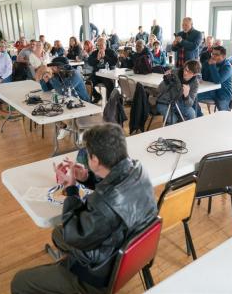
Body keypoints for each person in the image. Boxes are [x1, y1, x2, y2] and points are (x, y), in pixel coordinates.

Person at [11, 123, 158, 294]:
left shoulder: (103, 203)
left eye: (88, 155)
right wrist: (87, 177)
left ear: (95, 160)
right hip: (131, 252)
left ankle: (71, 279)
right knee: (57, 234)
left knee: (20, 281)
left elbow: (74, 234)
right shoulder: (138, 169)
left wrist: (72, 188)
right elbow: (113, 186)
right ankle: (63, 271)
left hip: (100, 275)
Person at [156, 60, 201, 125]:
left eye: (189, 72)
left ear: (194, 74)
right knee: (173, 120)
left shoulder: (195, 84)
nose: (185, 73)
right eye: (185, 69)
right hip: (164, 102)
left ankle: (188, 132)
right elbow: (159, 89)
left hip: (178, 103)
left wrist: (186, 96)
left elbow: (190, 104)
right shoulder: (174, 73)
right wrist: (165, 81)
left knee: (192, 113)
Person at [198, 46, 232, 112]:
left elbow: (218, 81)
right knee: (192, 97)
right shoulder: (209, 63)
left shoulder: (227, 67)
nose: (213, 56)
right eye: (212, 54)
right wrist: (206, 65)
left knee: (224, 114)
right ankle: (199, 116)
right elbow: (204, 78)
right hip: (210, 91)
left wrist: (212, 66)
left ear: (224, 56)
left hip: (223, 93)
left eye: (216, 54)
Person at [87, 37, 118, 103]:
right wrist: (97, 59)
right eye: (98, 45)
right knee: (88, 83)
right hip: (96, 74)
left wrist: (105, 57)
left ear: (105, 44)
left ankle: (110, 102)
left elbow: (114, 62)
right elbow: (89, 62)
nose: (100, 47)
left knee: (110, 84)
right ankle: (97, 96)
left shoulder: (111, 52)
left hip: (106, 75)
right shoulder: (95, 53)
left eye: (101, 45)